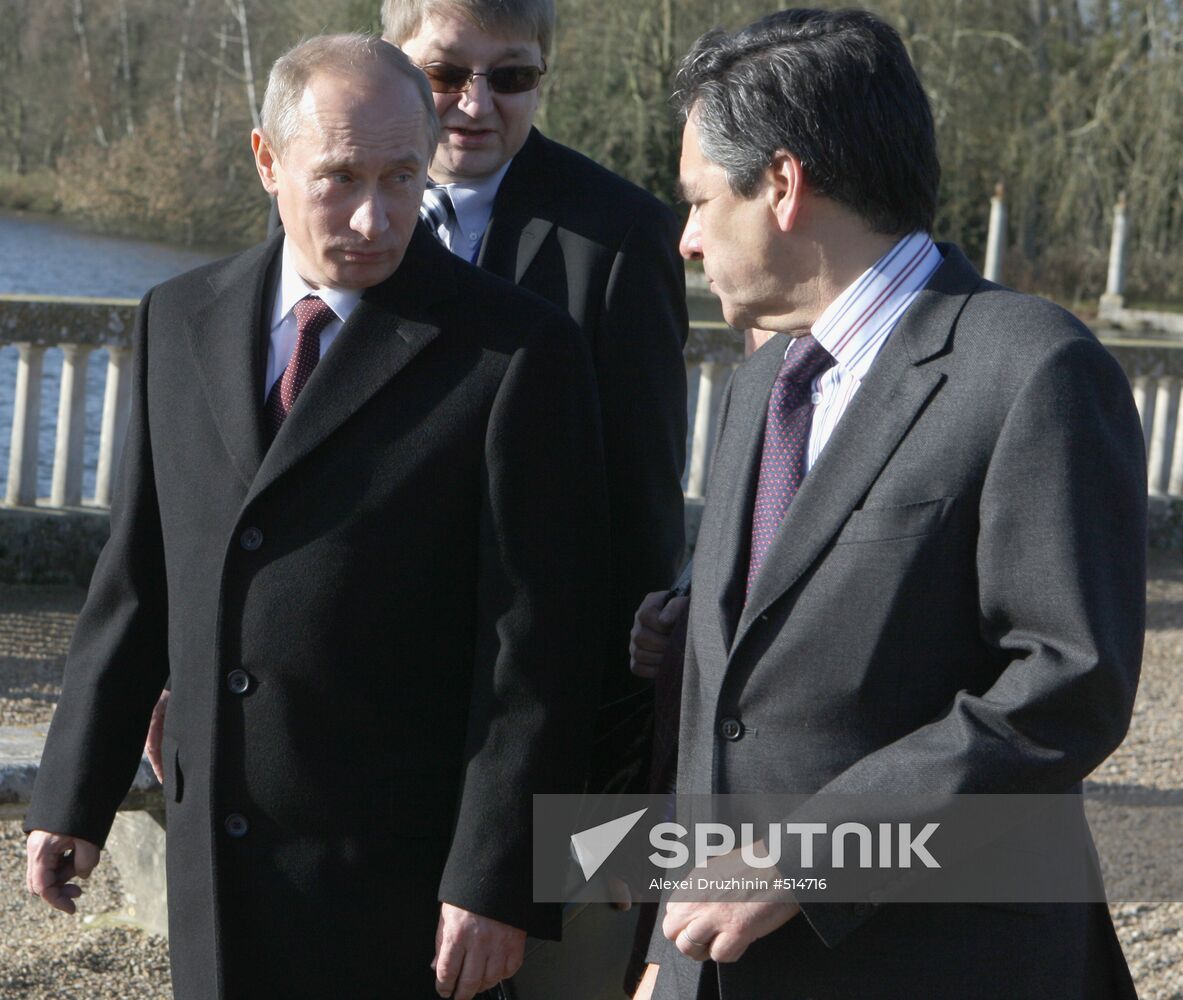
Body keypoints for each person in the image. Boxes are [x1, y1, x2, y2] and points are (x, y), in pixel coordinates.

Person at [24, 34, 610, 1000]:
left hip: (399, 891)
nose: (376, 217)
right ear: (267, 159)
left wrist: (496, 879)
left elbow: (536, 646)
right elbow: (137, 578)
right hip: (213, 862)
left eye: (401, 177)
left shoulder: (517, 354)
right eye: (338, 177)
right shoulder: (177, 317)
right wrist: (74, 795)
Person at [635, 9, 1145, 1000]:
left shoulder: (1031, 368)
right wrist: (670, 955)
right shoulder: (758, 384)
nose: (687, 240)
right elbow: (726, 711)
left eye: (698, 201)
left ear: (782, 186)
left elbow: (1064, 684)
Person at [384, 0, 689, 795]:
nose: (475, 104)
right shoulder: (328, 205)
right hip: (353, 696)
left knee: (532, 916)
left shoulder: (620, 235)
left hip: (531, 701)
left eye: (511, 76)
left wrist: (620, 764)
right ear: (391, 62)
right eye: (444, 72)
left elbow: (640, 507)